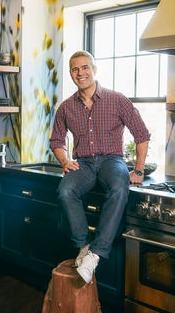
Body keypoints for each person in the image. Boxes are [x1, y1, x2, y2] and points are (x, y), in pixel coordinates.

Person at [50, 50, 150, 283]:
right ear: (71, 74)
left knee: (118, 187)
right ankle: (83, 246)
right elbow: (56, 140)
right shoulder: (66, 107)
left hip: (111, 160)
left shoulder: (118, 100)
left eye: (85, 67)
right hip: (83, 163)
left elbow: (141, 135)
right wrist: (64, 161)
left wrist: (138, 169)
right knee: (65, 190)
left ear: (94, 70)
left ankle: (96, 254)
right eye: (75, 69)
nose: (80, 73)